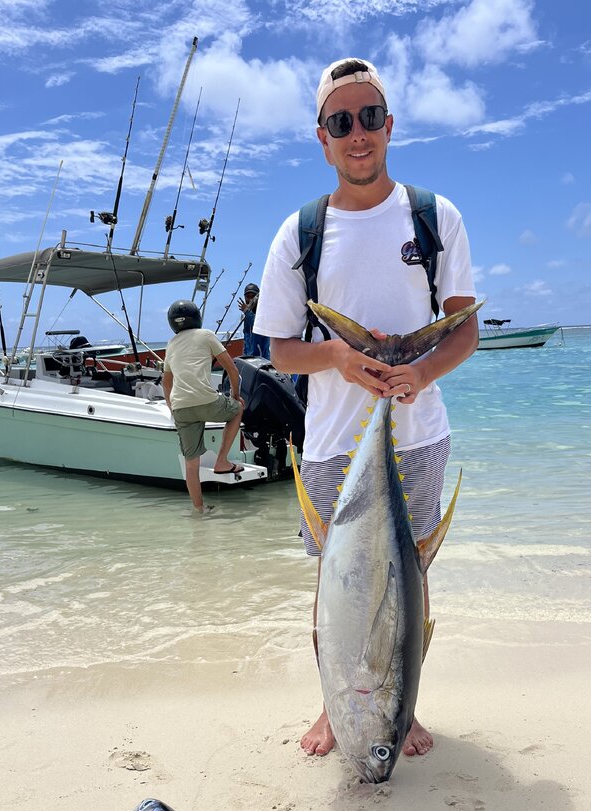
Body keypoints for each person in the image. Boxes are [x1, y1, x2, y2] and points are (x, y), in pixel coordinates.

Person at [253, 57, 479, 759]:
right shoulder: (300, 232)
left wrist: (420, 371)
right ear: (322, 137)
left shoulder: (434, 217)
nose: (359, 133)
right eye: (342, 121)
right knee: (337, 576)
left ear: (390, 126)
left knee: (410, 575)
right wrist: (339, 358)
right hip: (330, 440)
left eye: (370, 117)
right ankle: (334, 705)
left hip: (417, 433)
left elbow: (465, 329)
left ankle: (400, 704)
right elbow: (278, 348)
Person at [162, 299, 245, 512]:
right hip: (207, 401)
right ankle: (222, 461)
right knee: (238, 410)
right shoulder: (207, 335)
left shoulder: (171, 344)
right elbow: (232, 370)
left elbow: (166, 382)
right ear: (197, 317)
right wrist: (235, 396)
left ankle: (199, 511)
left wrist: (172, 408)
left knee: (191, 464)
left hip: (181, 408)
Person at [237, 283, 270, 359]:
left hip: (262, 360)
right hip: (249, 359)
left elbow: (258, 324)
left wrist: (247, 312)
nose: (250, 299)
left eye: (253, 296)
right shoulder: (247, 315)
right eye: (248, 297)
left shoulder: (263, 312)